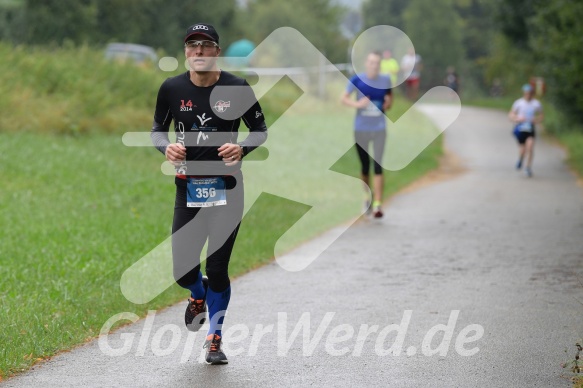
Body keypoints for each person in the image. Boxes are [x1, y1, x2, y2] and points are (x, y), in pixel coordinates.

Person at [150, 23, 267, 364]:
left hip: (227, 191)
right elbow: (158, 130)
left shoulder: (238, 87)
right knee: (183, 272)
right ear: (186, 52)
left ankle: (214, 339)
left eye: (205, 46)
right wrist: (166, 149)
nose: (198, 52)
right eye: (192, 46)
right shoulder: (171, 88)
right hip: (187, 190)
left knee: (218, 268)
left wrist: (241, 149)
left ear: (217, 51)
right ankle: (197, 295)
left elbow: (260, 130)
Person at [341, 51, 392, 218]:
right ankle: (367, 197)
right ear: (366, 63)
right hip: (361, 128)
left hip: (379, 129)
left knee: (378, 165)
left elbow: (389, 100)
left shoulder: (385, 80)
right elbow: (344, 98)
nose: (374, 65)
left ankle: (378, 204)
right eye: (371, 62)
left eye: (377, 63)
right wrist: (358, 104)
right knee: (365, 166)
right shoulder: (357, 79)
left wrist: (388, 103)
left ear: (380, 65)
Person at [508, 84, 543, 177]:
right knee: (523, 149)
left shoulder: (536, 103)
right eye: (526, 93)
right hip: (520, 128)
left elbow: (541, 116)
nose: (528, 95)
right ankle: (521, 159)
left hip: (530, 129)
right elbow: (511, 115)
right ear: (524, 93)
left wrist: (536, 120)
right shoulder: (518, 103)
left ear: (532, 93)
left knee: (530, 147)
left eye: (530, 93)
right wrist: (517, 118)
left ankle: (528, 167)